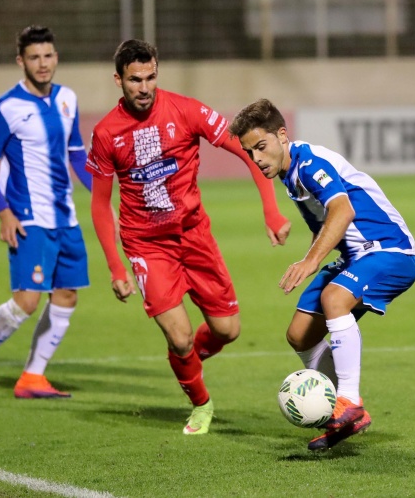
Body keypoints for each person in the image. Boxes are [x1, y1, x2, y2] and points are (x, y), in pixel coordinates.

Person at [87, 40, 291, 435]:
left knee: (227, 331)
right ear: (118, 80)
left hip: (195, 237)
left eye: (150, 77)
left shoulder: (186, 110)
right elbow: (99, 204)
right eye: (134, 80)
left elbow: (246, 150)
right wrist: (116, 266)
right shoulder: (106, 133)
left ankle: (185, 360)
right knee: (178, 335)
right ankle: (201, 402)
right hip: (147, 245)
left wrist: (271, 209)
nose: (143, 87)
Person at [229, 98, 415, 450]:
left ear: (282, 135)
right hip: (356, 256)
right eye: (249, 152)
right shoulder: (290, 176)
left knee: (334, 299)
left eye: (261, 147)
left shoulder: (308, 162)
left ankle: (349, 402)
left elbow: (342, 210)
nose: (256, 159)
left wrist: (310, 260)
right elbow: (329, 224)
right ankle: (336, 411)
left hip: (390, 250)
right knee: (300, 335)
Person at [0, 26, 92, 405]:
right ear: (20, 62)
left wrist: (103, 192)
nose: (42, 64)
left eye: (48, 56)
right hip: (30, 218)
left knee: (65, 295)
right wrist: (4, 212)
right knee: (27, 300)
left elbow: (77, 154)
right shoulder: (5, 107)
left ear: (56, 57)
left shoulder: (67, 99)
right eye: (34, 57)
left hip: (67, 218)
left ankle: (32, 376)